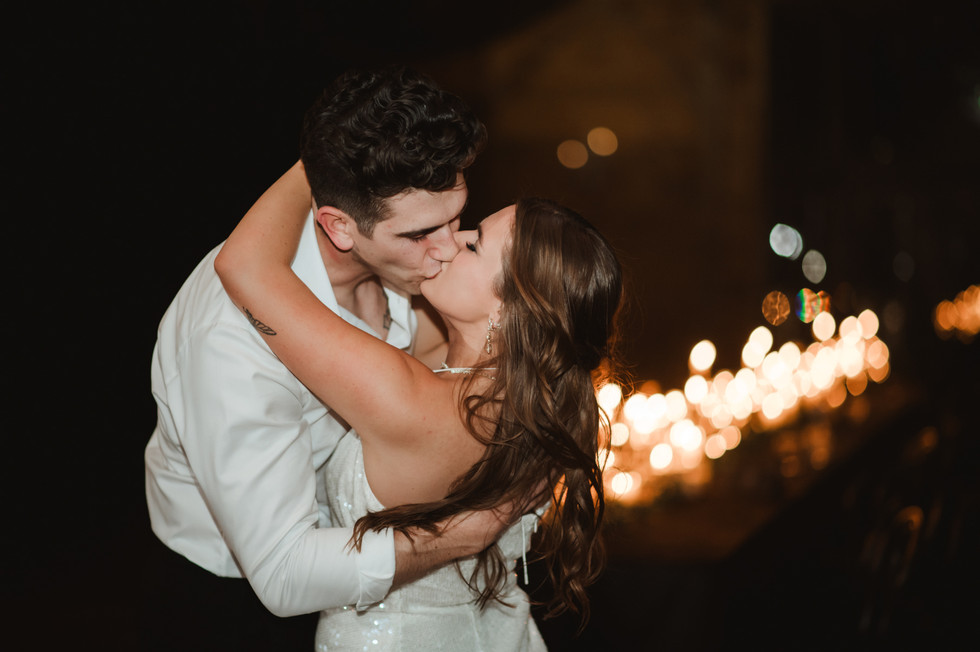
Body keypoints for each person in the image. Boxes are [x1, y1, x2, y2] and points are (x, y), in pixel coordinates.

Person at [142, 66, 502, 650]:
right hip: (231, 600)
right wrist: (466, 534)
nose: (448, 249)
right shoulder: (230, 341)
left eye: (456, 218)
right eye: (419, 234)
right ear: (338, 226)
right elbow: (283, 574)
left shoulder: (414, 263)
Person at [214, 159, 624, 649]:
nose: (452, 240)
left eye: (474, 244)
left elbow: (242, 267)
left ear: (511, 312)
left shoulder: (409, 398)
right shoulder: (556, 402)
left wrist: (328, 156)